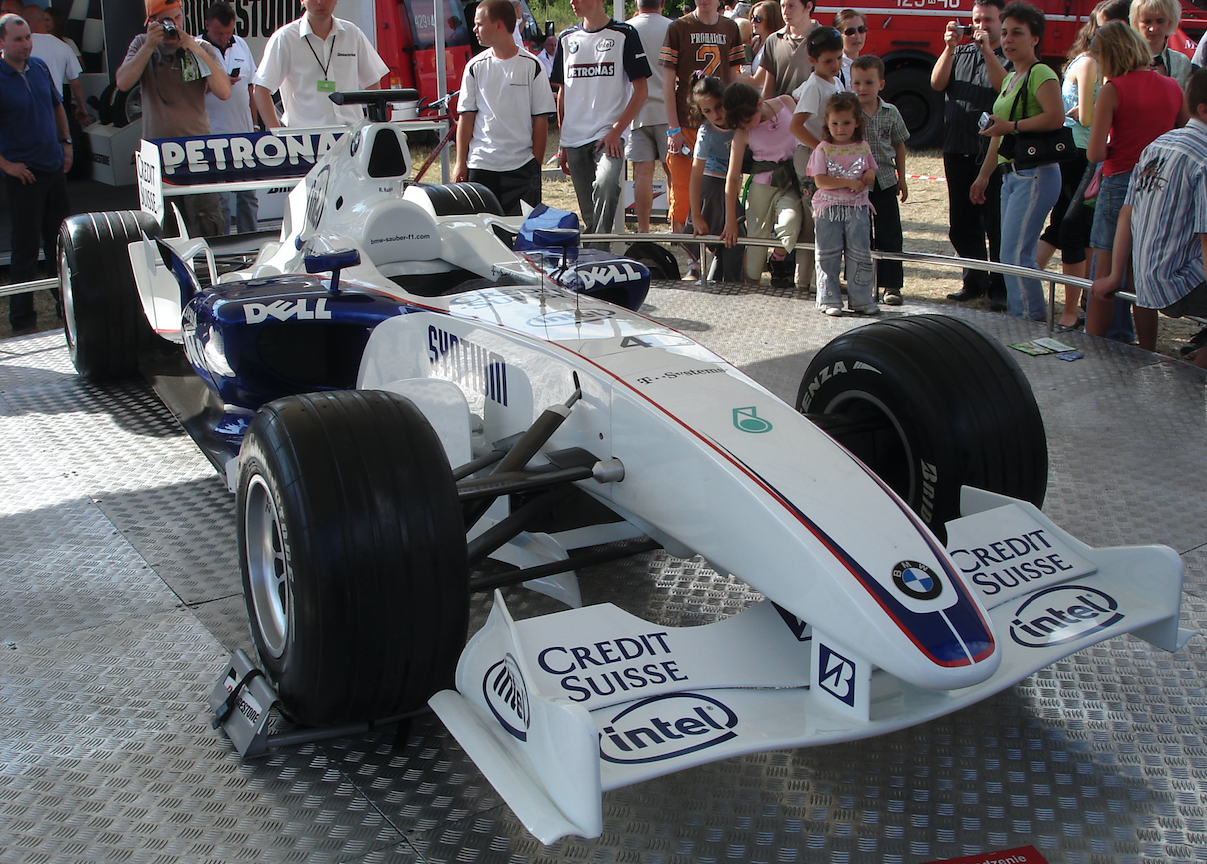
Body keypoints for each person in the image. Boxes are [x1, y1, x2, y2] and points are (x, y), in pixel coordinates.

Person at [1090, 69, 1207, 362]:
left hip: (1146, 281)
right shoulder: (1203, 159)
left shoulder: (1158, 145)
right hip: (1180, 284)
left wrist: (1117, 274)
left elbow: (1127, 213)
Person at [1083, 20, 1187, 343]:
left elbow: (1095, 151)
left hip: (1119, 183)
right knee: (1143, 277)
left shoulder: (1114, 89)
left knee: (1104, 273)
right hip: (1158, 186)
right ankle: (1147, 349)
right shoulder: (1172, 87)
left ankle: (1095, 344)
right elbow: (1183, 135)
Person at [970, 1, 1065, 321]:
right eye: (1006, 33)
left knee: (1016, 254)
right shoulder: (1012, 77)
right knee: (1010, 253)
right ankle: (1021, 316)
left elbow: (1055, 117)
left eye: (1017, 34)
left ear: (1035, 38)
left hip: (1035, 173)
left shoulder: (1041, 73)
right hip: (1013, 174)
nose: (1008, 40)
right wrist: (984, 177)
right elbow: (998, 133)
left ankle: (1031, 321)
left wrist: (1011, 126)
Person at [117, 0, 231, 238]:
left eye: (177, 18)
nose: (173, 25)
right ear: (150, 22)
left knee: (205, 222)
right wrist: (150, 44)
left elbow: (223, 92)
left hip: (196, 152)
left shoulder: (201, 47)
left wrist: (196, 49)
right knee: (164, 225)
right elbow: (123, 82)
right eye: (165, 20)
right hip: (157, 155)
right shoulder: (141, 44)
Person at [931, 0, 1009, 309]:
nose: (981, 26)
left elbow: (1005, 86)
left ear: (1001, 23)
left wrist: (988, 50)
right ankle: (974, 281)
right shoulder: (960, 52)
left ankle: (1000, 288)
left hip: (992, 154)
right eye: (976, 19)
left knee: (996, 225)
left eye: (988, 20)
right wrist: (949, 47)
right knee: (962, 225)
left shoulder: (1007, 56)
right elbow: (936, 82)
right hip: (957, 147)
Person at [550, 0, 650, 239]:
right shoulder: (566, 37)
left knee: (606, 186)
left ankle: (596, 254)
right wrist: (563, 142)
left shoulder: (624, 33)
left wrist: (617, 130)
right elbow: (562, 92)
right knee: (590, 216)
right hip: (574, 138)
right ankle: (595, 260)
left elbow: (641, 90)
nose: (573, 2)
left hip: (609, 136)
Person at [661, 0, 744, 278]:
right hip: (690, 120)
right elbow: (668, 80)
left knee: (726, 191)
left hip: (722, 119)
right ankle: (693, 263)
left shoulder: (730, 26)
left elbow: (734, 75)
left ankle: (726, 257)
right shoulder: (679, 27)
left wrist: (738, 113)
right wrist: (673, 127)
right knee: (686, 193)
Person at [0, 12, 70, 333]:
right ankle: (23, 321)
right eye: (18, 39)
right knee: (26, 249)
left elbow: (58, 106)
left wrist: (66, 144)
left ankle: (68, 310)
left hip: (53, 167)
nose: (25, 44)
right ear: (2, 42)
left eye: (28, 37)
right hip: (24, 176)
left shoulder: (40, 67)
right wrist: (8, 166)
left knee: (61, 245)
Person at [453, 0, 554, 216]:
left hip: (521, 167)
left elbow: (540, 120)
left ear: (498, 25)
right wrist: (460, 162)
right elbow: (466, 117)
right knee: (482, 235)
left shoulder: (532, 65)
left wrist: (534, 164)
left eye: (479, 24)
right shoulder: (475, 66)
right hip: (481, 165)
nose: (474, 30)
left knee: (520, 236)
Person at [1039, 11, 1099, 329]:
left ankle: (1024, 285)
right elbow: (1088, 118)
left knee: (1064, 224)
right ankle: (1070, 310)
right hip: (1078, 152)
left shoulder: (1084, 61)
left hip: (1077, 150)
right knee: (1070, 227)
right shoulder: (1090, 63)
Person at [252, 0, 387, 129]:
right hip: (305, 139)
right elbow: (261, 90)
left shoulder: (352, 33)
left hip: (351, 135)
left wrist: (371, 127)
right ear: (302, 0)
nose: (320, 2)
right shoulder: (285, 38)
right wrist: (279, 136)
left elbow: (372, 84)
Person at [721, 82, 801, 287]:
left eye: (748, 119)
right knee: (756, 243)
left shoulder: (785, 102)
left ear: (759, 103)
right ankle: (752, 286)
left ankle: (777, 259)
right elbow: (732, 177)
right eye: (741, 123)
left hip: (791, 181)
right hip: (761, 186)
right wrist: (731, 220)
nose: (747, 126)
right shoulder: (742, 133)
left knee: (789, 226)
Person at [807, 91, 878, 315]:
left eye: (846, 123)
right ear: (827, 123)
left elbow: (870, 169)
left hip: (857, 207)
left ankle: (861, 299)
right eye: (835, 123)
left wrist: (869, 176)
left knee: (860, 253)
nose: (840, 128)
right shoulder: (823, 149)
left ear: (856, 122)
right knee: (828, 253)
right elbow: (820, 180)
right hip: (829, 208)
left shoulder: (863, 146)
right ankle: (829, 298)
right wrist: (848, 182)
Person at [851, 54, 908, 305]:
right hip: (856, 185)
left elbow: (899, 145)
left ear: (881, 84)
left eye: (869, 83)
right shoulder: (849, 112)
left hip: (885, 181)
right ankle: (860, 282)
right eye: (857, 83)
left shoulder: (891, 112)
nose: (863, 88)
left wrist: (902, 178)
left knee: (890, 234)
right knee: (859, 235)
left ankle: (892, 285)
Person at [203, 1, 259, 234]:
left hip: (244, 132)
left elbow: (251, 88)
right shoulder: (197, 48)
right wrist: (218, 82)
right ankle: (225, 249)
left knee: (249, 196)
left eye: (228, 32)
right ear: (207, 26)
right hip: (211, 134)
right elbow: (189, 91)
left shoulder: (241, 45)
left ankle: (250, 244)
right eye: (218, 33)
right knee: (221, 200)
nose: (224, 37)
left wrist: (255, 125)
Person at [688, 74, 743, 281]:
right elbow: (695, 177)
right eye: (707, 111)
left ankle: (721, 282)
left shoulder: (739, 125)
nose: (716, 114)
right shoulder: (706, 133)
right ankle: (727, 282)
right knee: (734, 235)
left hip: (729, 185)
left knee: (730, 240)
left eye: (719, 106)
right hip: (712, 184)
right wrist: (696, 215)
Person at [626, 0, 671, 234]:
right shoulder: (672, 27)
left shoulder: (626, 29)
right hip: (668, 110)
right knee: (674, 172)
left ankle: (643, 229)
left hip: (637, 110)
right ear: (662, 3)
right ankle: (677, 225)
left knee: (642, 174)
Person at [24, 6, 86, 127]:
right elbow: (75, 83)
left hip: (29, 108)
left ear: (26, 21)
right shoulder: (63, 46)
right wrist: (81, 107)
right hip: (56, 107)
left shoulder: (21, 47)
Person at [755, 0, 818, 100]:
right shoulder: (774, 40)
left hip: (814, 112)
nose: (785, 11)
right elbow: (768, 90)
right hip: (781, 112)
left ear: (808, 7)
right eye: (783, 6)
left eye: (791, 6)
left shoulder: (824, 39)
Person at [1131, 0, 1191, 89]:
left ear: (1170, 21)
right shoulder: (1124, 60)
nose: (1153, 28)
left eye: (1160, 21)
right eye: (1146, 22)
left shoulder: (1181, 62)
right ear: (1136, 22)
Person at [833, 8, 867, 88]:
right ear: (838, 34)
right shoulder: (834, 68)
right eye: (850, 32)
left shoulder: (867, 65)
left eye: (861, 30)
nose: (857, 36)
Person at [749, 2, 783, 74]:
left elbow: (756, 81)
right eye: (752, 17)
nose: (752, 22)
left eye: (757, 19)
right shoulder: (754, 42)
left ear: (771, 21)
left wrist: (730, 74)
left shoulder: (774, 46)